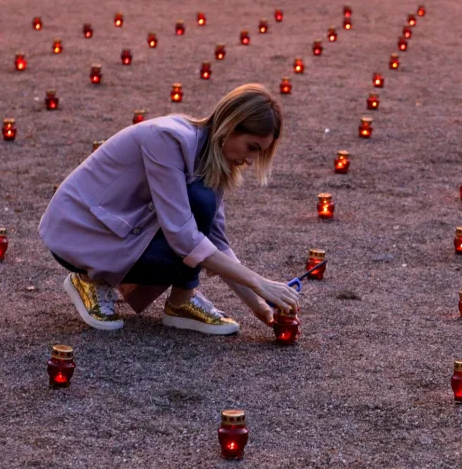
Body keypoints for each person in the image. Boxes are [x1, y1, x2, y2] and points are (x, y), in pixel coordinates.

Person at [38, 83, 299, 335]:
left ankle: (180, 303)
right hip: (79, 232)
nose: (251, 160)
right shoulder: (167, 138)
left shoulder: (212, 157)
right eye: (251, 147)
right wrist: (260, 282)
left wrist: (260, 306)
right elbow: (184, 237)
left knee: (202, 207)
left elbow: (216, 241)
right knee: (197, 219)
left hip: (119, 231)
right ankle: (90, 279)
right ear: (230, 126)